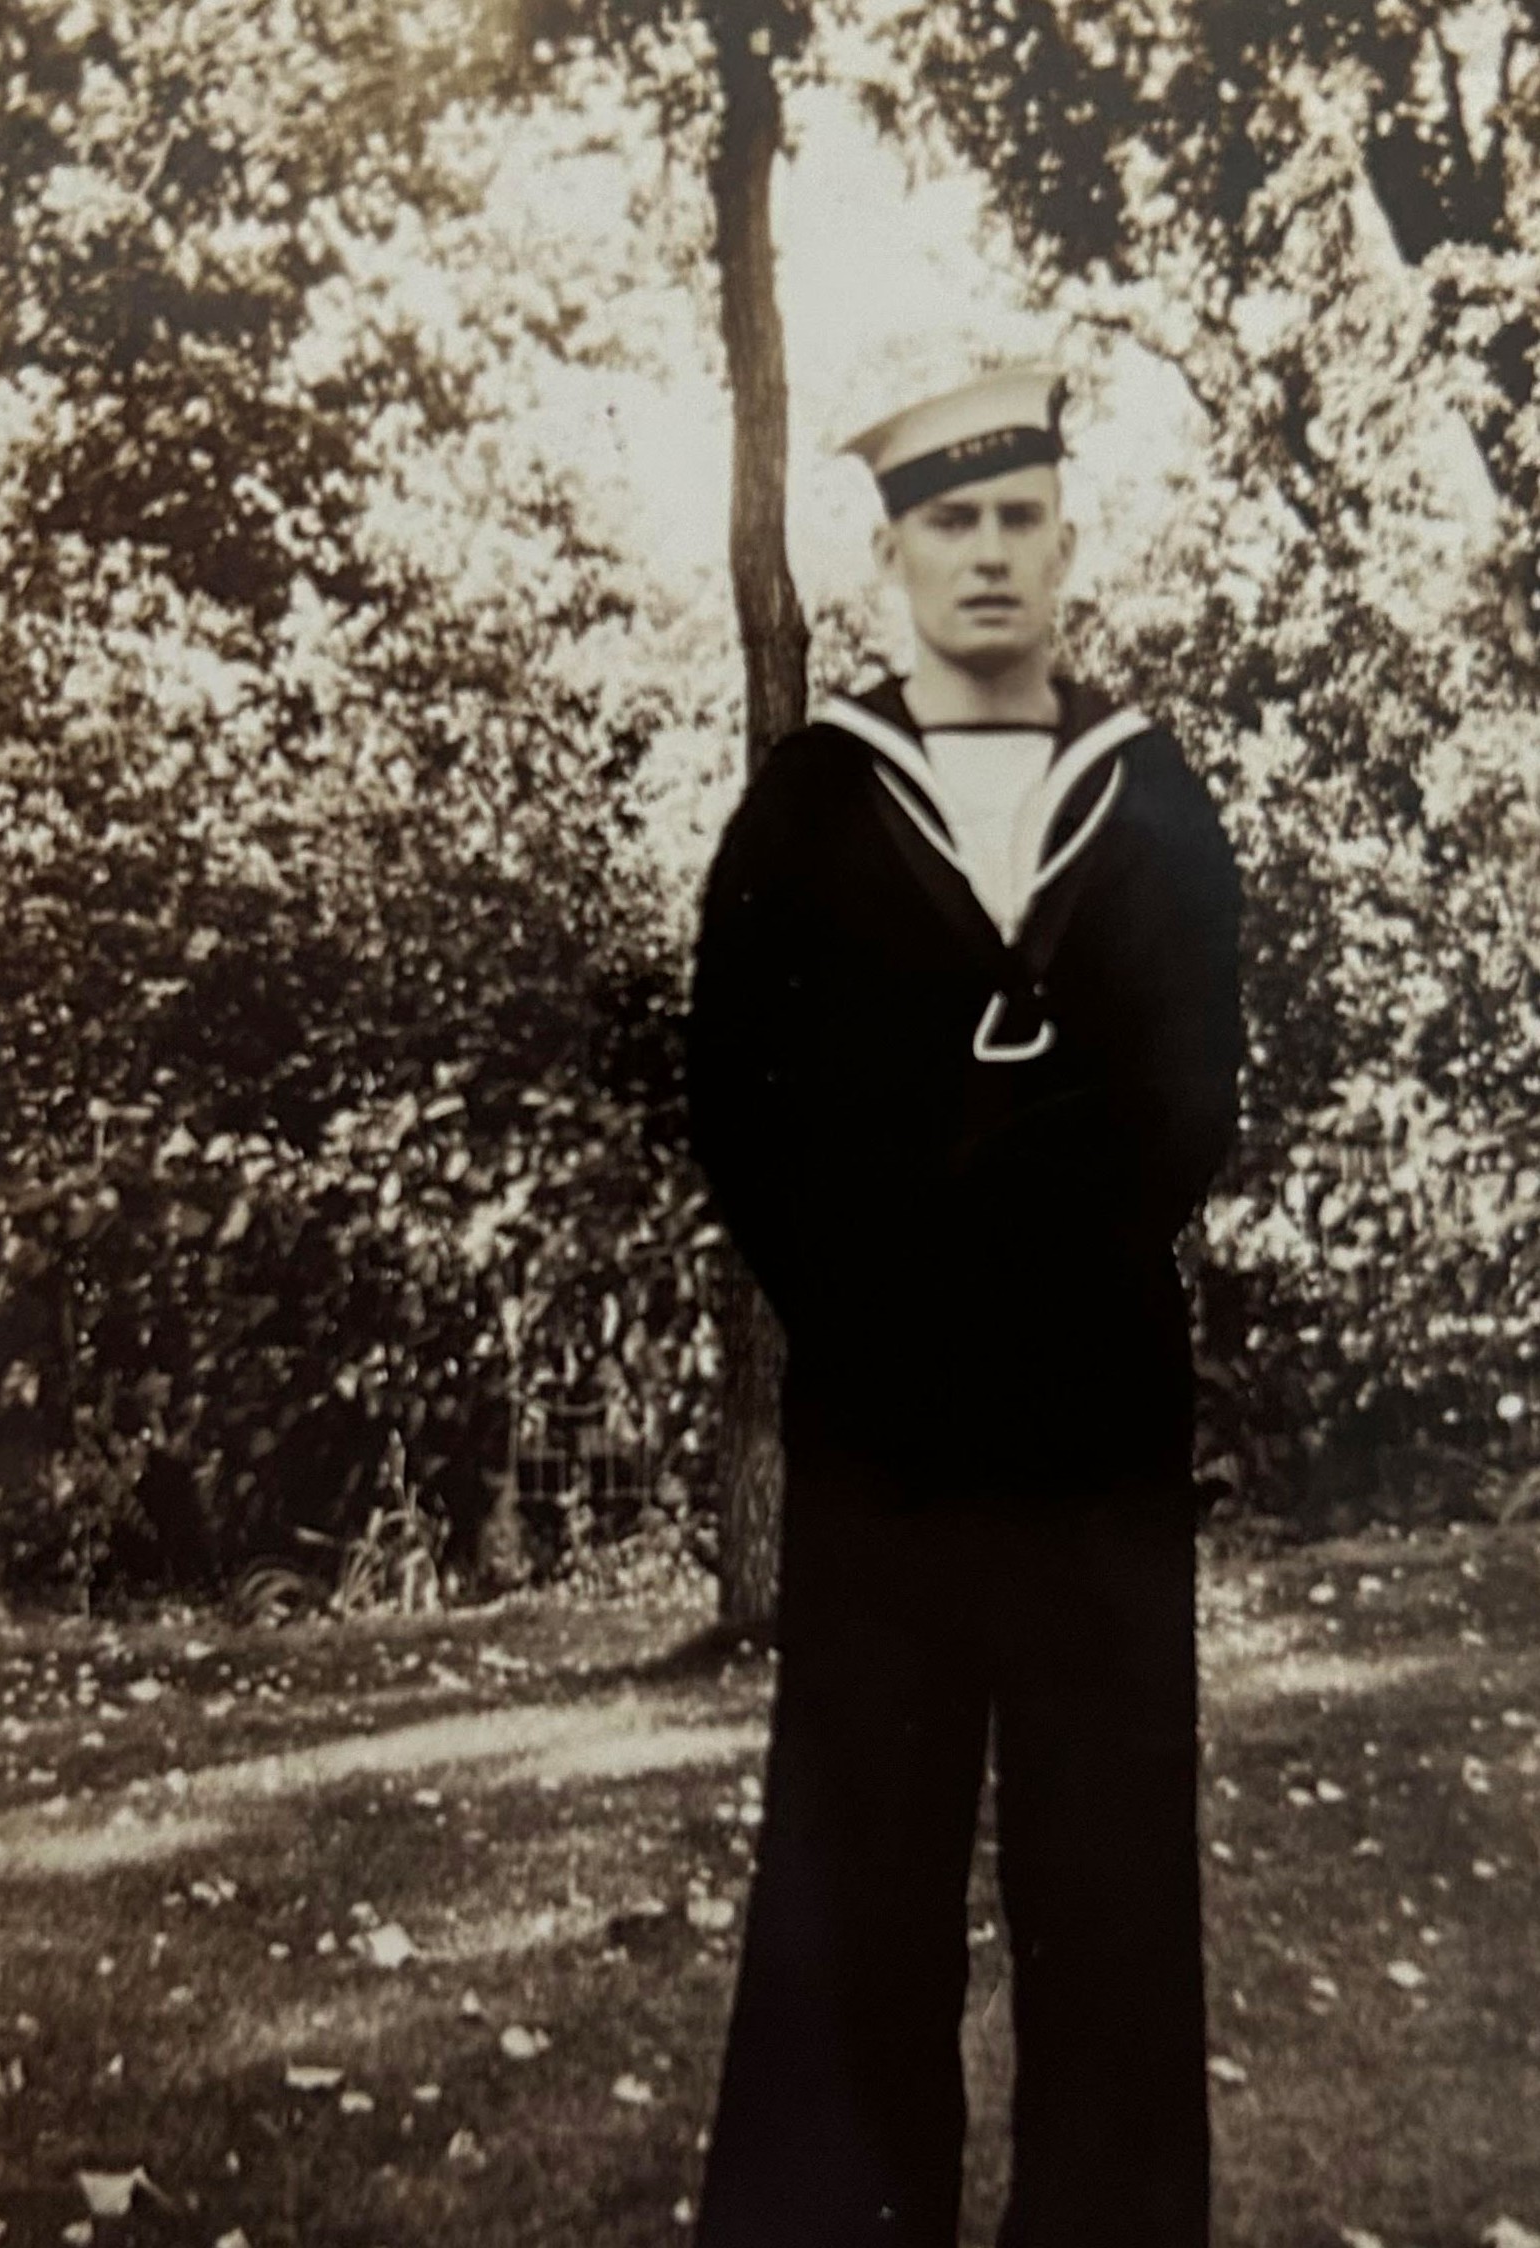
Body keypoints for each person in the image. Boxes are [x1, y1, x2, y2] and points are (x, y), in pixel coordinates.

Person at [686, 362, 1244, 2248]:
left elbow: (1189, 1099)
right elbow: (740, 1106)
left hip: (1095, 1427)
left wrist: (1040, 1266)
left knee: (1109, 1870)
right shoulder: (810, 806)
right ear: (893, 556)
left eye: (1018, 519)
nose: (987, 554)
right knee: (858, 1864)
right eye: (950, 522)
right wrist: (891, 1303)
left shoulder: (1152, 800)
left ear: (1065, 541)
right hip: (884, 1433)